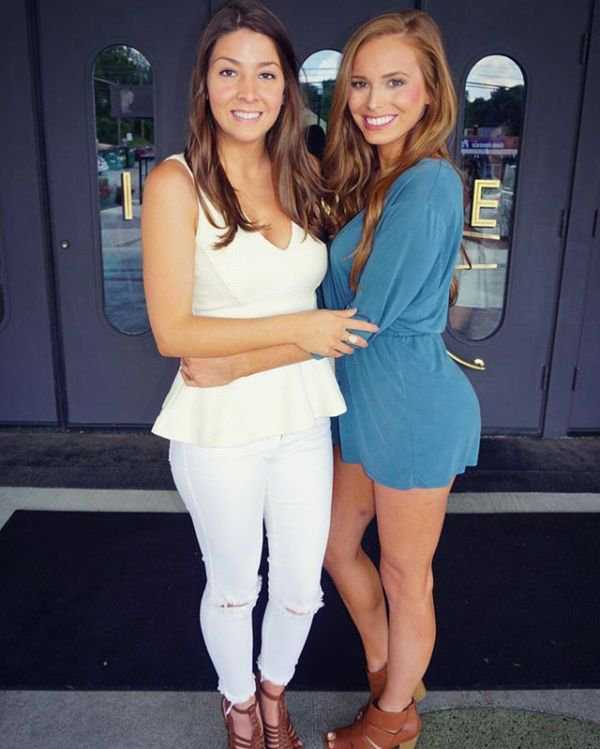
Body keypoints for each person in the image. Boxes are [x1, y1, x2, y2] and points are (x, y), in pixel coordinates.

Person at [179, 8, 481, 749]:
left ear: (431, 91)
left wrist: (231, 361)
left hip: (411, 406)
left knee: (407, 575)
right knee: (335, 547)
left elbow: (355, 325)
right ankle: (390, 668)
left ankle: (393, 717)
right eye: (360, 84)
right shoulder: (375, 175)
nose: (374, 101)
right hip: (357, 404)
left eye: (395, 83)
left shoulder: (428, 183)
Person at [141, 2, 377, 748]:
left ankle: (275, 693)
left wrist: (260, 351)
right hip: (219, 429)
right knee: (235, 586)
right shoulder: (176, 183)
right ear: (204, 83)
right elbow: (174, 334)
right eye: (229, 71)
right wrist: (302, 330)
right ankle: (240, 705)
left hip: (300, 414)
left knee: (303, 589)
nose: (248, 91)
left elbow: (326, 313)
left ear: (286, 87)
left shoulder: (303, 174)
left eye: (266, 73)